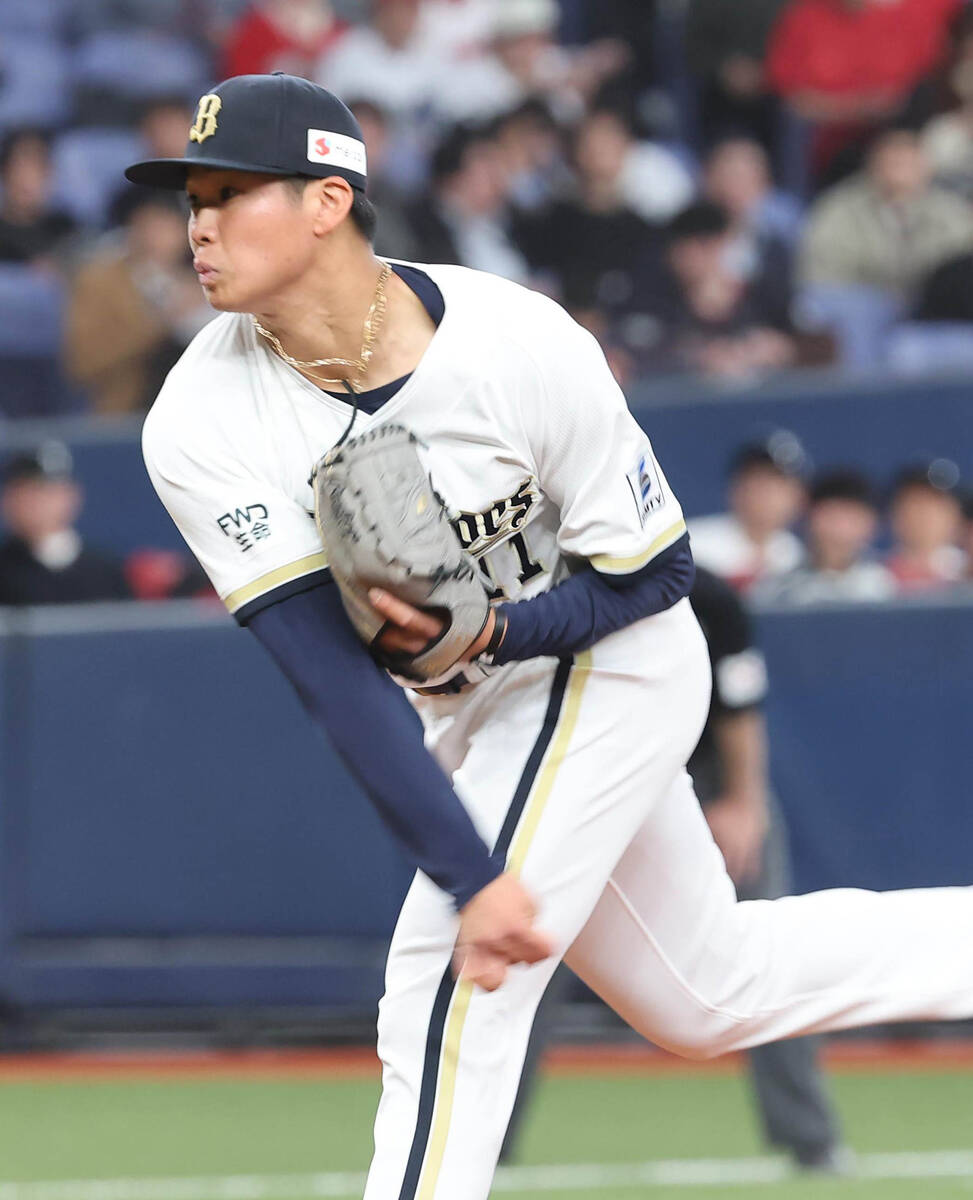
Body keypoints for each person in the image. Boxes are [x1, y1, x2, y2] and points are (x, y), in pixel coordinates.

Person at [127, 74, 973, 1200]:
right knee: (708, 993)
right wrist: (470, 860)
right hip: (473, 706)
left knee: (447, 976)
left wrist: (500, 633)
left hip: (612, 660)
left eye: (231, 191)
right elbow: (335, 684)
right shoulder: (200, 419)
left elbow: (659, 574)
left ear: (328, 201)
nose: (199, 220)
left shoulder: (514, 339)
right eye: (190, 194)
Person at [500, 565, 847, 1174]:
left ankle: (810, 1137)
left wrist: (743, 802)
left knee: (763, 951)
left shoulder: (708, 595)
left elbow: (742, 707)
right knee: (525, 955)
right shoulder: (546, 591)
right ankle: (482, 1144)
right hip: (585, 776)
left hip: (706, 781)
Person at [64, 189, 214, 414]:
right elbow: (81, 362)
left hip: (198, 407)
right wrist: (160, 323)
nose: (155, 236)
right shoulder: (99, 282)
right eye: (148, 224)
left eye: (166, 225)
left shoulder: (201, 279)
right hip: (126, 410)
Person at [0, 443, 130, 606]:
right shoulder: (6, 573)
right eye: (27, 492)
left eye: (47, 492)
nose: (37, 503)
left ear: (72, 496)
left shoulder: (105, 571)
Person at [755, 469, 895, 604]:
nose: (839, 529)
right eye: (830, 515)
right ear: (809, 519)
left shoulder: (885, 587)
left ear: (870, 524)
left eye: (850, 517)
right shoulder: (778, 588)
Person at [690, 437, 807, 592]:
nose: (767, 495)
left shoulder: (793, 553)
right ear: (736, 488)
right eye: (758, 481)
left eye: (778, 485)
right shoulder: (693, 545)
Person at [0, 129, 76, 265]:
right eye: (20, 167)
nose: (29, 179)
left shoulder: (68, 230)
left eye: (40, 168)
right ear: (5, 172)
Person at [885, 462, 966, 591]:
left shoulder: (967, 573)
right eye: (915, 504)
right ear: (894, 514)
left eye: (934, 505)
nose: (924, 515)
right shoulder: (872, 581)